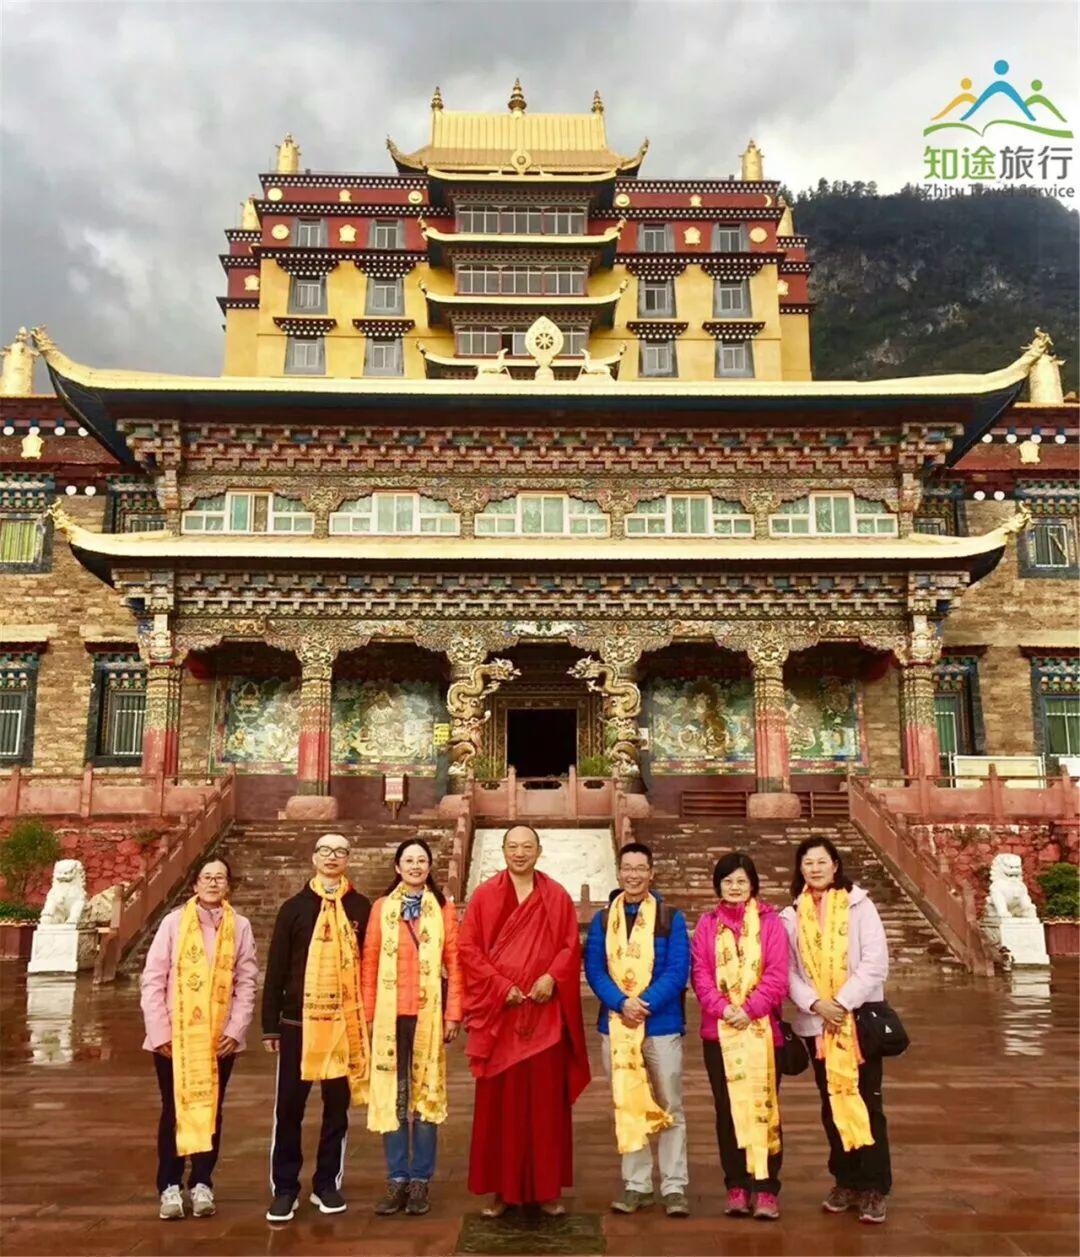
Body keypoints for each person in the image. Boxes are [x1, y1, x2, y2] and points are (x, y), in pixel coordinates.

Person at [458, 824, 590, 1217]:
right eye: (513, 846)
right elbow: (468, 948)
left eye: (527, 846)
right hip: (501, 1017)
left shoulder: (556, 895)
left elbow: (570, 946)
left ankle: (546, 1189)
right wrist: (500, 986)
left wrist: (552, 977)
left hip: (545, 1016)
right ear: (503, 851)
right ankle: (502, 1190)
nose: (519, 853)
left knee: (545, 1107)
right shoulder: (485, 895)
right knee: (501, 1109)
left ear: (539, 850)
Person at [780, 835, 891, 1225]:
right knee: (831, 1104)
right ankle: (845, 1180)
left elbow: (875, 961)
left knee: (867, 1101)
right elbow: (787, 970)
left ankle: (874, 1186)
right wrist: (816, 1004)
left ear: (835, 865)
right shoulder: (791, 915)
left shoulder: (860, 906)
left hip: (857, 1021)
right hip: (818, 1025)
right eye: (807, 862)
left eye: (821, 861)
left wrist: (841, 1003)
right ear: (800, 869)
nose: (815, 868)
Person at [140, 856, 258, 1221]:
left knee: (211, 1108)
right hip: (175, 1036)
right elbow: (153, 978)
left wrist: (235, 1029)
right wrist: (159, 1031)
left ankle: (203, 1181)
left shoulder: (239, 926)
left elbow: (246, 981)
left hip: (218, 1038)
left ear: (228, 885)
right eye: (206, 877)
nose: (213, 883)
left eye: (220, 877)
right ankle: (169, 1185)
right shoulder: (174, 922)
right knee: (174, 1109)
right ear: (195, 884)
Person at [262, 833, 371, 1223]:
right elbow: (276, 968)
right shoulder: (294, 909)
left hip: (343, 1022)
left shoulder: (360, 907)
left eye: (340, 851)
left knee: (336, 1107)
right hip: (297, 1022)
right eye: (325, 850)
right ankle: (285, 1187)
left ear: (348, 859)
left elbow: (369, 965)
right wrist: (270, 1026)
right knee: (289, 1107)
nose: (332, 857)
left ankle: (327, 1182)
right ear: (314, 858)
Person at [584, 841, 690, 1217]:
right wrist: (620, 1002)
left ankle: (674, 1185)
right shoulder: (603, 920)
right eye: (626, 868)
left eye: (640, 868)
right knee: (627, 1102)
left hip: (660, 1025)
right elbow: (594, 968)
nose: (632, 875)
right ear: (618, 873)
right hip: (616, 1025)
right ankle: (637, 1184)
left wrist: (643, 1003)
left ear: (651, 873)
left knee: (669, 1104)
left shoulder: (670, 918)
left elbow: (677, 970)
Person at [362, 837, 462, 1217]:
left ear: (430, 867)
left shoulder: (442, 908)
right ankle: (396, 1178)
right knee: (394, 1096)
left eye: (422, 860)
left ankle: (420, 1179)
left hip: (428, 1016)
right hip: (390, 1017)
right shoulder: (381, 908)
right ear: (397, 867)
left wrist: (453, 1013)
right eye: (409, 860)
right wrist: (368, 1015)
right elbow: (370, 961)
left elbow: (455, 963)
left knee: (425, 1099)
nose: (416, 866)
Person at [691, 852, 787, 1221]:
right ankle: (736, 1184)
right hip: (719, 1032)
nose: (734, 887)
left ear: (753, 885)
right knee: (727, 1109)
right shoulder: (707, 924)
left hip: (761, 1031)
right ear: (718, 885)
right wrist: (724, 1009)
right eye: (728, 881)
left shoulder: (770, 923)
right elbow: (700, 974)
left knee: (764, 1105)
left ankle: (765, 1187)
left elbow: (777, 974)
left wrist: (749, 1009)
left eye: (741, 881)